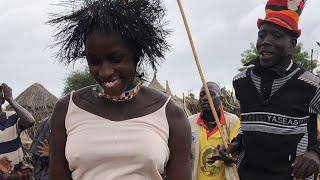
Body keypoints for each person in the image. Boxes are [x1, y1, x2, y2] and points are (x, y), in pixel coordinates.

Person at [47, 0, 192, 180]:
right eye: (94, 62)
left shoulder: (170, 114)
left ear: (136, 55)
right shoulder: (67, 109)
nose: (105, 72)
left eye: (116, 59)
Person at [226, 0, 320, 179]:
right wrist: (237, 143)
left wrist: (316, 153)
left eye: (276, 36)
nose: (265, 42)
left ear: (292, 44)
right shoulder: (241, 82)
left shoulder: (311, 85)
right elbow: (248, 124)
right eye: (261, 35)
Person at [189, 82, 240, 180]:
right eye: (201, 95)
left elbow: (238, 152)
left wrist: (228, 156)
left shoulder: (232, 122)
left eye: (210, 94)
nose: (204, 98)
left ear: (220, 99)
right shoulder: (190, 123)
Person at [0, 83, 35, 179]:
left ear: (2, 100)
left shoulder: (12, 117)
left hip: (18, 176)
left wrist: (10, 99)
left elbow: (30, 121)